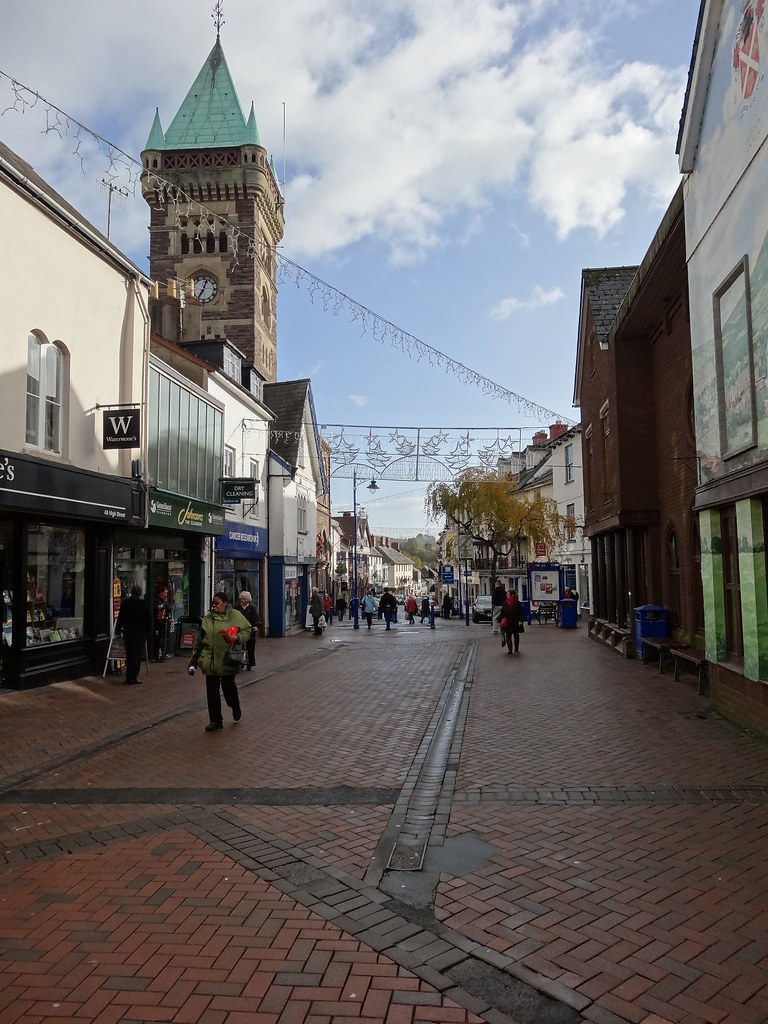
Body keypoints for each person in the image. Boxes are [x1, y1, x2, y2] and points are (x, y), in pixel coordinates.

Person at [188, 591, 251, 732]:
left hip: (228, 660)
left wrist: (238, 637)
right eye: (212, 603)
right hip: (210, 661)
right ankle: (215, 720)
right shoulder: (207, 619)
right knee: (212, 692)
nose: (214, 606)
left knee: (228, 688)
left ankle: (235, 705)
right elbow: (199, 642)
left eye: (216, 603)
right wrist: (193, 662)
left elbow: (247, 631)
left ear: (225, 604)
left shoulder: (236, 615)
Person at [114, 584, 152, 685]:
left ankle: (128, 675)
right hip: (139, 633)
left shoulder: (126, 603)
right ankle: (133, 676)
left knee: (129, 654)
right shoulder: (143, 604)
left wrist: (117, 631)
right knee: (136, 655)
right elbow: (148, 619)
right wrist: (148, 632)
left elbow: (120, 617)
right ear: (140, 592)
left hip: (128, 632)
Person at [238, 591, 260, 670]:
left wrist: (256, 626)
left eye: (244, 599)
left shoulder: (252, 608)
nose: (242, 601)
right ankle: (240, 662)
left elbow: (256, 618)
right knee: (239, 647)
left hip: (249, 630)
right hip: (240, 630)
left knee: (250, 647)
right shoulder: (237, 607)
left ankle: (249, 663)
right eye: (241, 599)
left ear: (248, 600)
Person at [152, 584, 172, 661]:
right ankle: (156, 654)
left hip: (163, 621)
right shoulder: (156, 600)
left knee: (163, 637)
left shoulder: (165, 600)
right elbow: (151, 608)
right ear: (160, 593)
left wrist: (166, 603)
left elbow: (169, 609)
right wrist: (158, 607)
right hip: (157, 622)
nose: (166, 595)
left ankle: (162, 653)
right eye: (165, 593)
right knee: (158, 638)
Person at [502, 589, 525, 654]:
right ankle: (510, 649)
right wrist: (500, 621)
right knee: (508, 636)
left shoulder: (518, 603)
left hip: (515, 622)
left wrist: (520, 621)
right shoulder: (505, 603)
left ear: (512, 595)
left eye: (508, 594)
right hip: (508, 622)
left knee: (516, 636)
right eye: (507, 594)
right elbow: (503, 613)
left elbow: (521, 613)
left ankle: (516, 648)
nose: (507, 595)